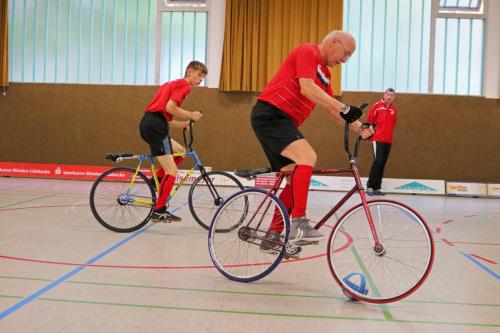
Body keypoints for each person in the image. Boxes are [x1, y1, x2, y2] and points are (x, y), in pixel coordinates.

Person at [250, 31, 374, 251]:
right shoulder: (308, 51)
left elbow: (331, 108)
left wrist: (358, 127)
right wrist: (343, 107)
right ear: (335, 42)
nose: (345, 60)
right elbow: (306, 87)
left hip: (283, 121)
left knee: (293, 179)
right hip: (271, 115)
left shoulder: (325, 74)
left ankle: (271, 236)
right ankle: (299, 222)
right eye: (346, 54)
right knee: (308, 156)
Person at [139, 61, 206, 222]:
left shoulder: (171, 84)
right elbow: (170, 108)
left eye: (203, 78)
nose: (200, 79)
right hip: (155, 127)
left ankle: (156, 182)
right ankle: (159, 210)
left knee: (180, 151)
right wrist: (191, 114)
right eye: (199, 75)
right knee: (172, 171)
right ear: (189, 72)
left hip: (152, 124)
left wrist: (181, 124)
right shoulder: (185, 86)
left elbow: (163, 116)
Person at [366, 88, 397, 196]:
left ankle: (376, 188)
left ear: (394, 97)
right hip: (377, 139)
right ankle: (370, 186)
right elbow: (370, 121)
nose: (389, 97)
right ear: (384, 95)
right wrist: (372, 136)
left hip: (388, 140)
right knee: (377, 161)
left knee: (382, 163)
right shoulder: (376, 107)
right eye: (388, 94)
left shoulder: (394, 110)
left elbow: (392, 125)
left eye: (392, 95)